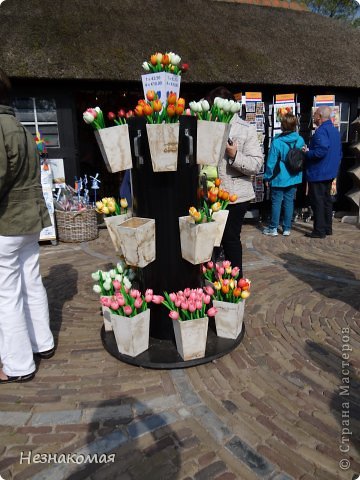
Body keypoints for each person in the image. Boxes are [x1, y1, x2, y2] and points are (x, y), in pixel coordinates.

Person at [0, 68, 54, 384]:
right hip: (31, 219)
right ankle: (42, 343)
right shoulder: (19, 126)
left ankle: (19, 365)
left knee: (7, 294)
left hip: (7, 222)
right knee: (30, 281)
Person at [205, 87, 263, 276]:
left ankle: (234, 283)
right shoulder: (205, 125)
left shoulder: (246, 129)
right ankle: (212, 280)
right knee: (208, 240)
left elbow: (256, 164)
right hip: (209, 194)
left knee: (230, 238)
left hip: (235, 195)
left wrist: (234, 155)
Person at [263, 113, 305, 236]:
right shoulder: (300, 139)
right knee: (289, 202)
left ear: (282, 125)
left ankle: (273, 228)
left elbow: (271, 162)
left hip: (279, 176)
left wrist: (267, 177)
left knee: (276, 202)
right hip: (294, 176)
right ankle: (287, 229)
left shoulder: (277, 142)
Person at [303, 106, 342, 238]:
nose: (313, 117)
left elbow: (321, 151)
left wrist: (307, 153)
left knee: (318, 201)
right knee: (326, 200)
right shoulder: (334, 131)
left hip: (319, 172)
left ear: (319, 116)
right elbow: (338, 152)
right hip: (330, 171)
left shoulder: (321, 132)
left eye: (315, 115)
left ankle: (319, 230)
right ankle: (327, 228)